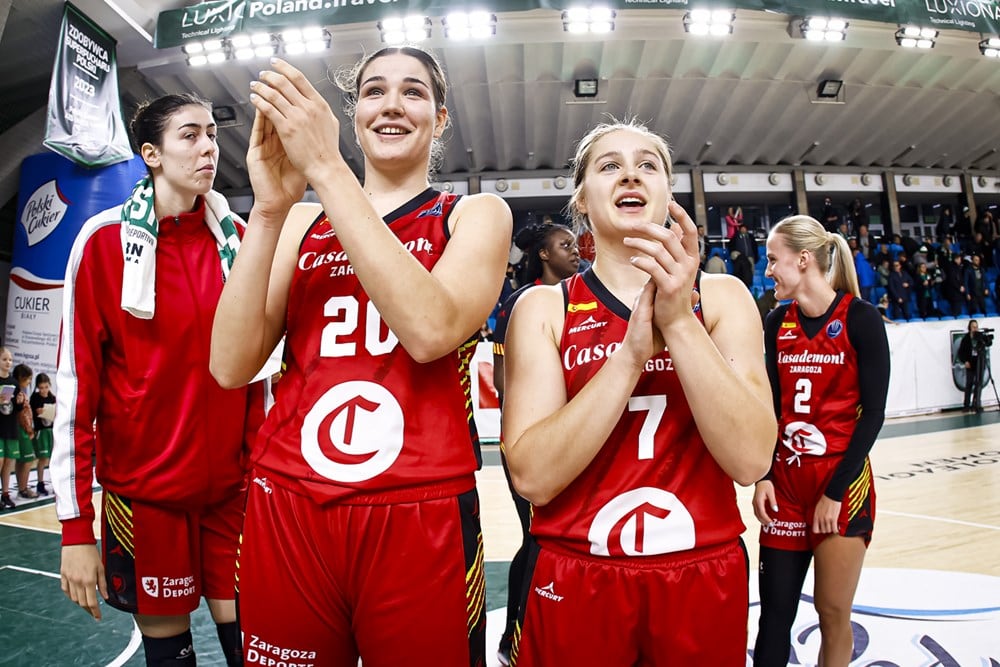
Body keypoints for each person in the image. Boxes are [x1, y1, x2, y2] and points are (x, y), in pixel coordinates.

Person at [209, 48, 512, 666]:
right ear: (353, 117)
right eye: (373, 92)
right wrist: (267, 211)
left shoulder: (474, 214)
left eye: (413, 92)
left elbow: (430, 330)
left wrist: (326, 167)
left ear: (442, 116)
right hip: (289, 499)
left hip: (419, 507)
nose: (392, 104)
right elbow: (229, 365)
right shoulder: (298, 223)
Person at [501, 120, 775, 665]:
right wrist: (629, 356)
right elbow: (532, 476)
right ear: (582, 197)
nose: (630, 173)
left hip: (701, 564)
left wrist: (678, 322)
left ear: (667, 192)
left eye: (648, 164)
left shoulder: (722, 298)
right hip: (577, 568)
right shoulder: (544, 307)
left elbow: (751, 459)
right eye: (609, 166)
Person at [52, 93, 254, 667]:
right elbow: (76, 390)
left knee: (255, 646)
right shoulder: (102, 240)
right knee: (172, 657)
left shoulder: (237, 237)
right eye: (190, 135)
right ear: (151, 153)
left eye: (213, 133)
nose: (209, 147)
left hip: (233, 496)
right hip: (146, 500)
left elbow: (258, 373)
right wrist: (75, 530)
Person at [752, 215, 890, 667]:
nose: (767, 270)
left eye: (773, 260)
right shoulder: (776, 323)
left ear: (803, 259)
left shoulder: (862, 319)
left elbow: (873, 416)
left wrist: (834, 493)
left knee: (832, 613)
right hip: (786, 489)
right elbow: (769, 410)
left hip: (841, 487)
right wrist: (764, 476)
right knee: (773, 616)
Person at [490, 222, 579, 665]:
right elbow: (502, 380)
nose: (575, 251)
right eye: (565, 246)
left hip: (572, 435)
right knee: (537, 537)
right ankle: (515, 641)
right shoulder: (520, 303)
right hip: (530, 438)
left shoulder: (581, 296)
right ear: (543, 255)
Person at [11, 363, 36, 501]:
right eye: (28, 379)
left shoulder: (21, 391)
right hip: (22, 429)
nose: (29, 382)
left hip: (21, 428)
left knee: (22, 460)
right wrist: (29, 429)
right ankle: (23, 488)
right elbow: (22, 415)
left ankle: (22, 487)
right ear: (21, 377)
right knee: (27, 460)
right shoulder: (19, 393)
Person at [29, 372, 56, 496]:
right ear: (37, 387)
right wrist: (39, 412)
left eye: (46, 387)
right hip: (40, 431)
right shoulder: (35, 398)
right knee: (42, 459)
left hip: (51, 430)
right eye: (41, 388)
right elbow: (33, 414)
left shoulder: (52, 397)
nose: (44, 390)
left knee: (53, 458)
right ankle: (40, 483)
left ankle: (55, 483)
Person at [957, 319, 986, 413]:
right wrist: (965, 361)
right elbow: (960, 352)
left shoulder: (980, 337)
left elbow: (986, 345)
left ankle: (976, 404)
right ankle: (966, 405)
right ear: (969, 327)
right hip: (970, 364)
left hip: (979, 363)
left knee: (979, 384)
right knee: (969, 384)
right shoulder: (966, 339)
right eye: (973, 327)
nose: (975, 328)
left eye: (976, 327)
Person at [0, 347, 16, 509]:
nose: (8, 362)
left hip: (10, 428)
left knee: (9, 462)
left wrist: (18, 402)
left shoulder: (13, 383)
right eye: (4, 359)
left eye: (10, 360)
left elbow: (16, 409)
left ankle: (6, 494)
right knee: (0, 460)